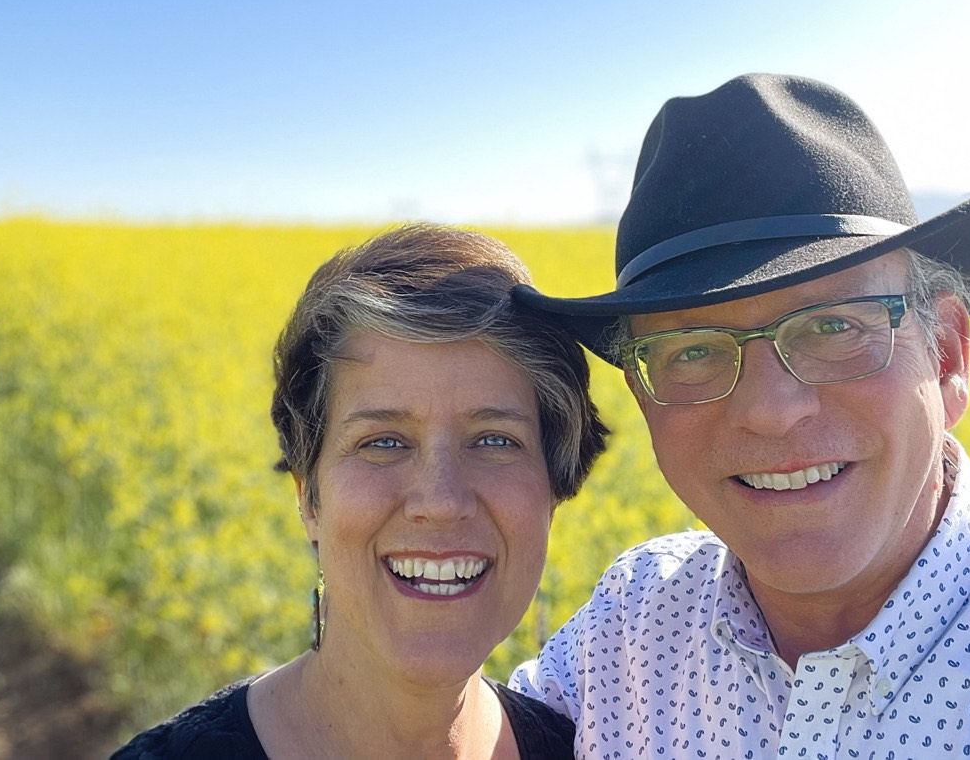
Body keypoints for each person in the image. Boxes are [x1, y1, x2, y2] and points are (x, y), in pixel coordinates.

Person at [509, 73, 970, 757]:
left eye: (833, 327)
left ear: (945, 356)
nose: (771, 412)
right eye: (693, 350)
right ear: (644, 396)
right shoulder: (631, 622)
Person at [114, 223, 608, 759]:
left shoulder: (598, 748)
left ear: (553, 493)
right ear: (308, 498)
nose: (441, 502)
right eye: (384, 442)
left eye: (494, 440)